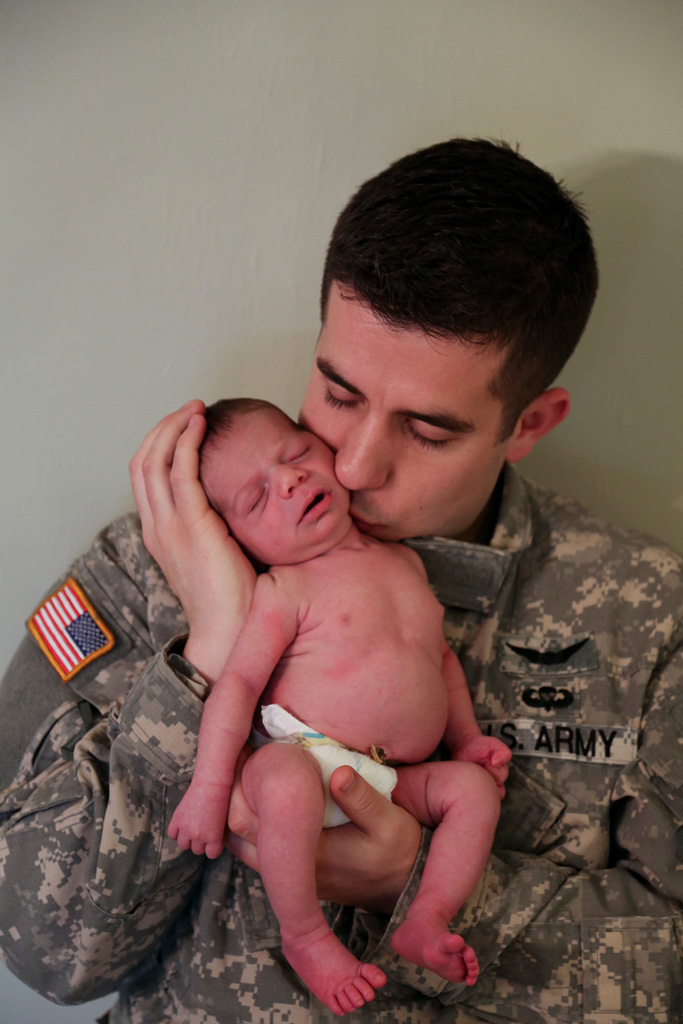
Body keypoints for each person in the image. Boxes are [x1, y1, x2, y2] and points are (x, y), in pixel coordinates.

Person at [0, 138, 681, 1024]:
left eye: (427, 432)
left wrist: (426, 889)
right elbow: (42, 950)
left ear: (528, 424)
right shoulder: (155, 561)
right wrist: (208, 650)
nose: (353, 466)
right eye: (337, 393)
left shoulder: (646, 614)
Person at [168, 397, 511, 1014]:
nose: (289, 479)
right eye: (257, 497)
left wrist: (465, 739)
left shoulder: (406, 562)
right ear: (238, 541)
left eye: (297, 453)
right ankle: (304, 935)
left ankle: (425, 915)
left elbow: (439, 658)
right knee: (287, 783)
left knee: (474, 792)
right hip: (305, 756)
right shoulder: (285, 587)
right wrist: (208, 787)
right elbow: (237, 686)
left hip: (394, 781)